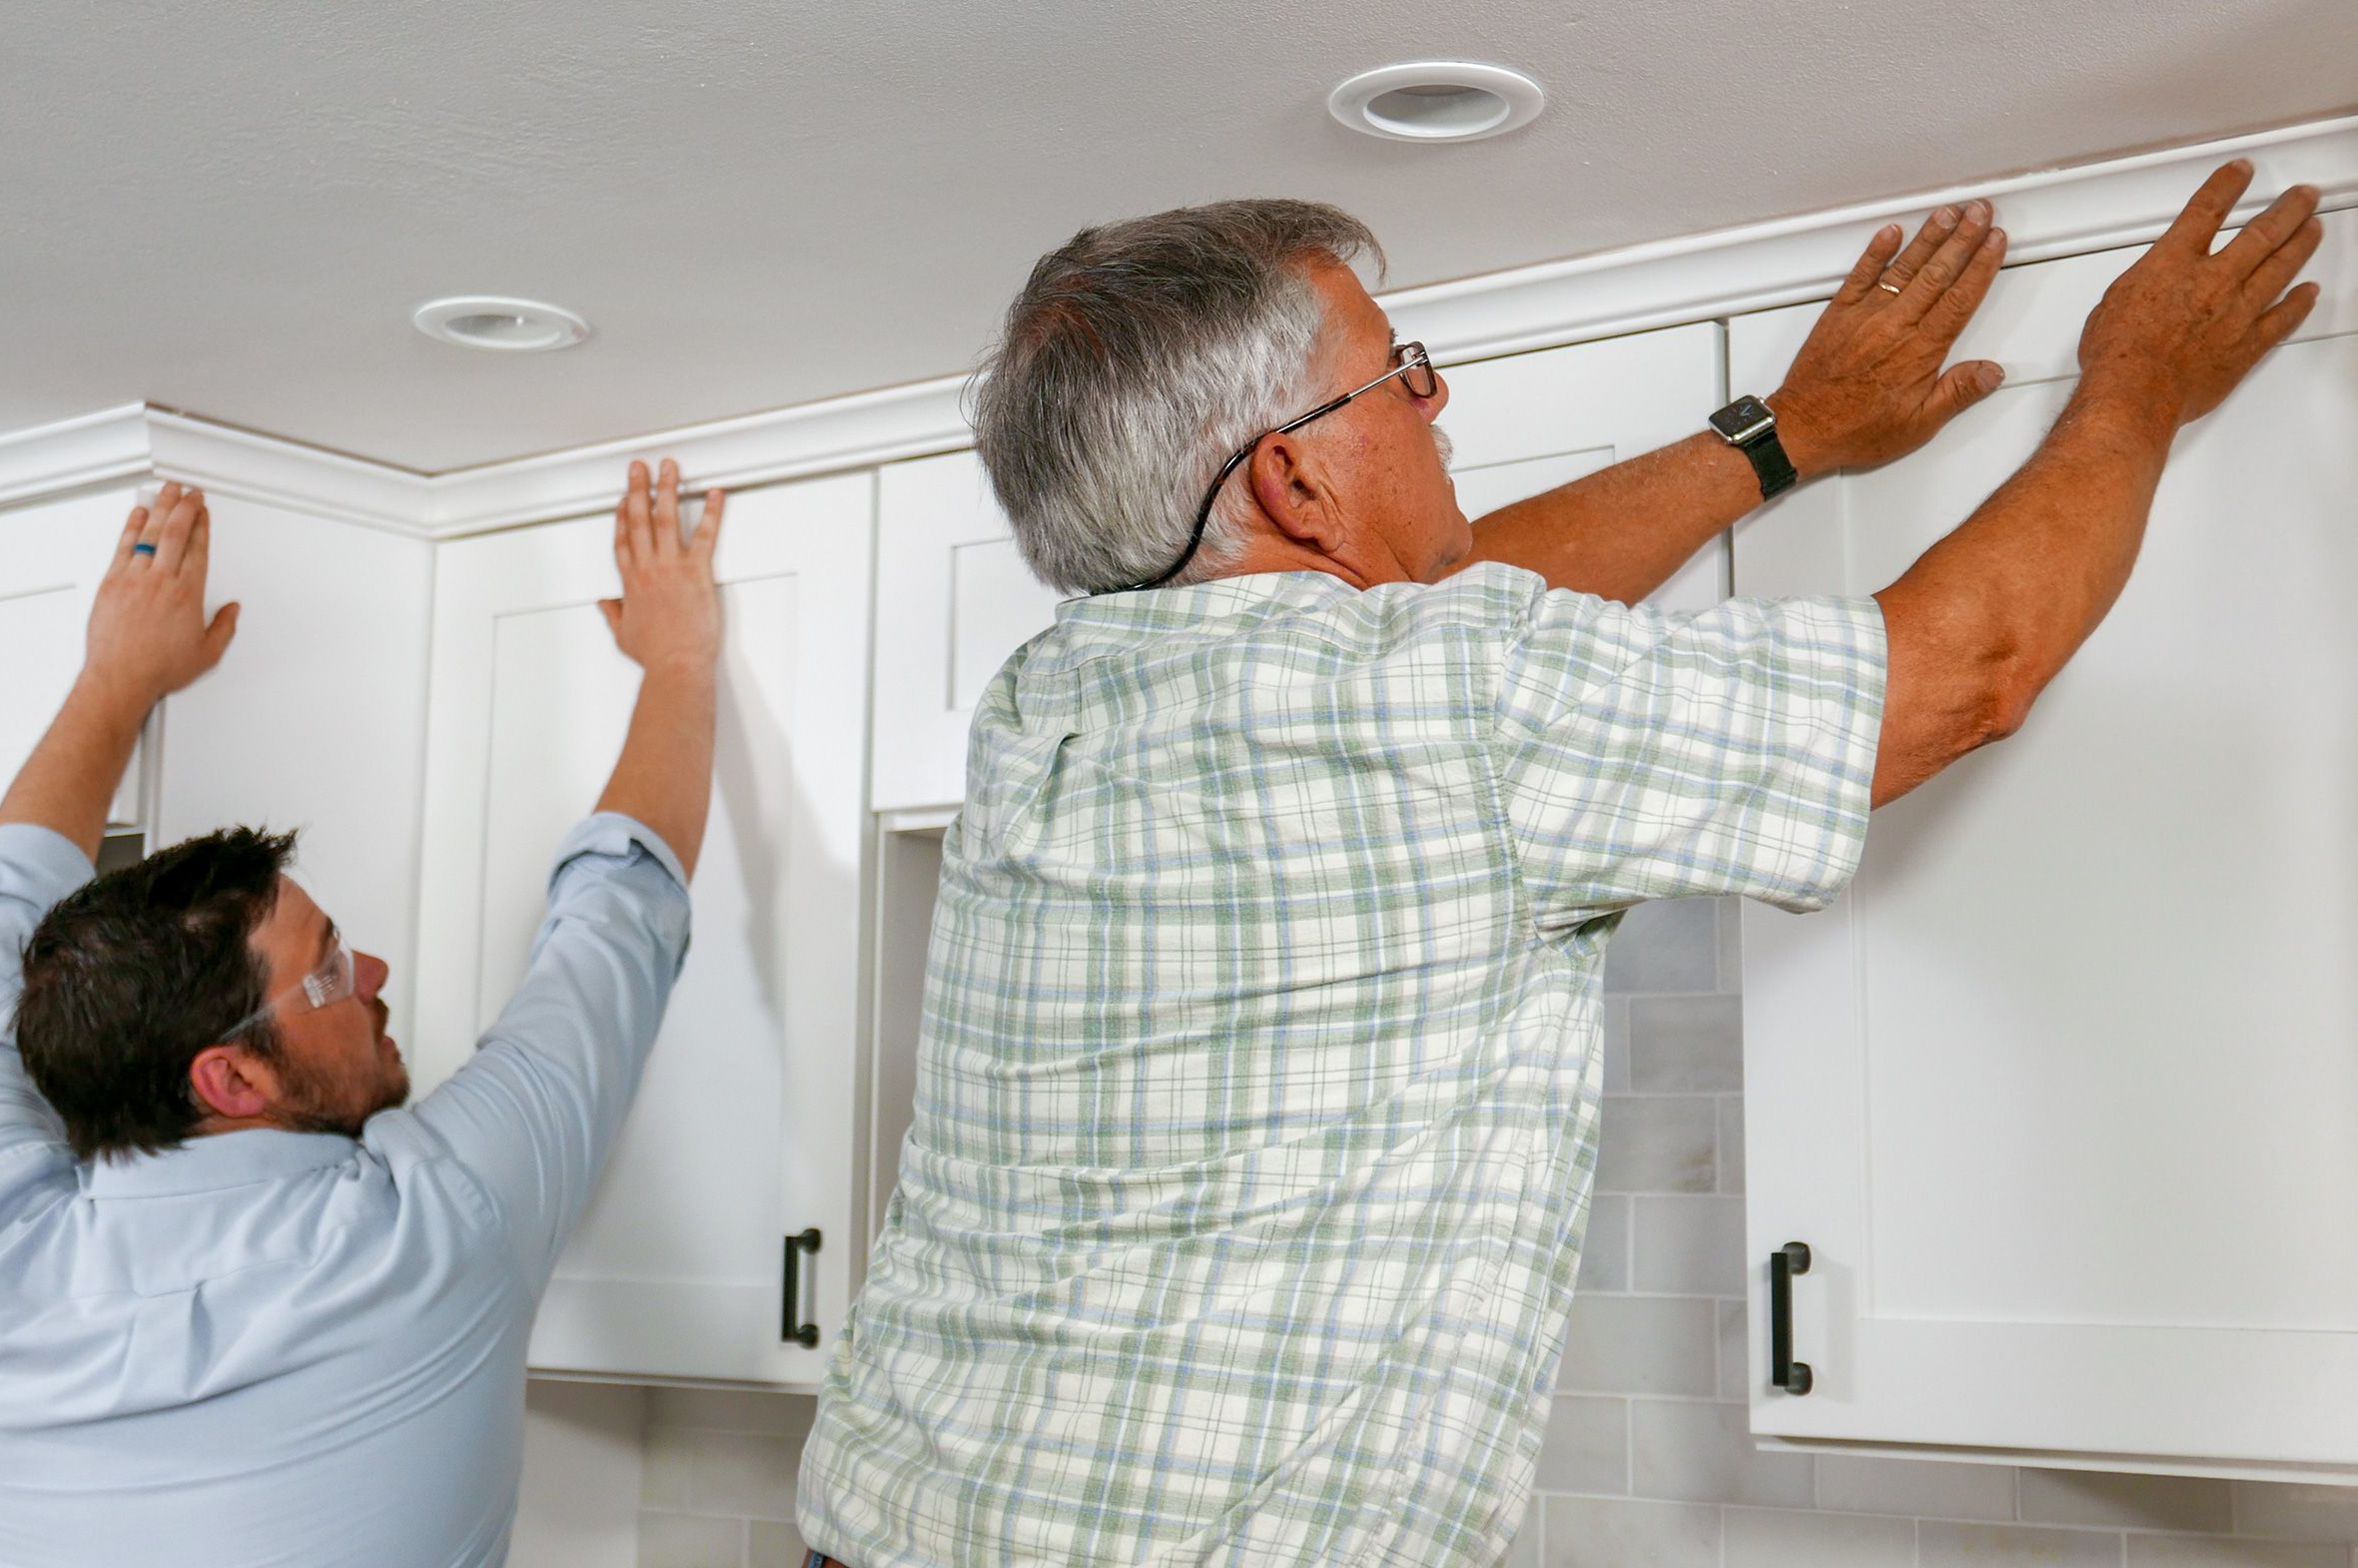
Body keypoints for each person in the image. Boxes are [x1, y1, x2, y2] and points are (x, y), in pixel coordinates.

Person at [797, 162, 2324, 1567]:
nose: (1435, 399)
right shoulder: (1440, 705)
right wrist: (2138, 386)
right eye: (1399, 376)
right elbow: (1964, 669)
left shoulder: (1042, 702)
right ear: (1294, 486)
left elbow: (1436, 623)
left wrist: (1776, 441)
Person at [0, 460, 723, 1567]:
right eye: (327, 972)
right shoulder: (438, 1224)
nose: (370, 972)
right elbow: (615, 924)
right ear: (230, 1078)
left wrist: (116, 680)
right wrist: (685, 658)